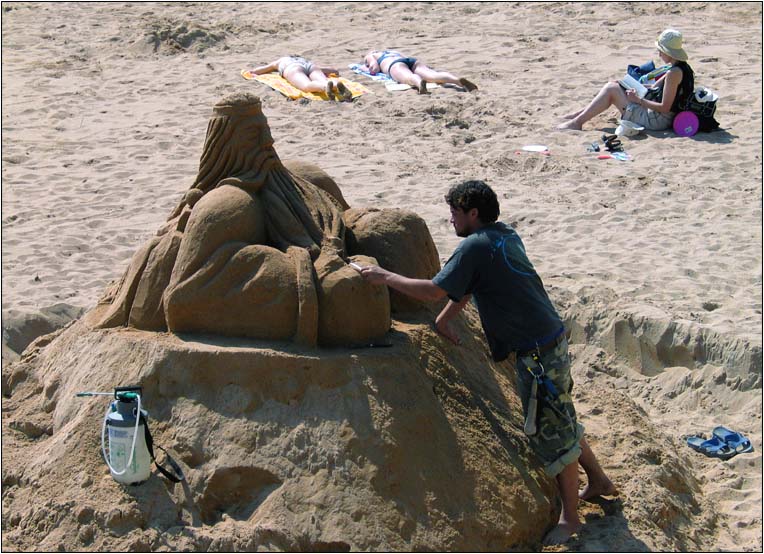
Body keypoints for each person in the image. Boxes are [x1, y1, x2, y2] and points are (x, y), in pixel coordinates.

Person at [355, 180, 617, 545]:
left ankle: (570, 519)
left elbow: (433, 289)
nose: (450, 221)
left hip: (537, 352)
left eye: (454, 213)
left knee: (553, 431)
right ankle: (600, 481)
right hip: (549, 339)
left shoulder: (475, 247)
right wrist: (445, 320)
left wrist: (383, 277)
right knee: (562, 415)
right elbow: (472, 285)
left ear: (472, 213)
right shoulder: (501, 236)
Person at [557, 29, 694, 131]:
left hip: (657, 120)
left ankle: (577, 122)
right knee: (616, 85)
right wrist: (627, 86)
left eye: (661, 50)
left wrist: (638, 100)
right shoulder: (679, 68)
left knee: (611, 89)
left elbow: (665, 107)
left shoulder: (673, 73)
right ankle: (579, 115)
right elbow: (653, 88)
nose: (659, 53)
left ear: (669, 52)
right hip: (658, 115)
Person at [361, 49, 477, 94]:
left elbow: (374, 68)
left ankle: (419, 83)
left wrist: (365, 67)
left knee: (409, 77)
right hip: (411, 61)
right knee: (434, 75)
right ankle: (457, 81)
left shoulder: (372, 55)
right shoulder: (393, 51)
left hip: (394, 65)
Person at [249, 55, 353, 101]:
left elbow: (262, 69)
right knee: (323, 79)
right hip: (310, 65)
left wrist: (253, 73)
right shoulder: (302, 59)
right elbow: (331, 70)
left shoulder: (281, 61)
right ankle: (334, 84)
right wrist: (333, 71)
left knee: (306, 86)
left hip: (292, 68)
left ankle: (325, 87)